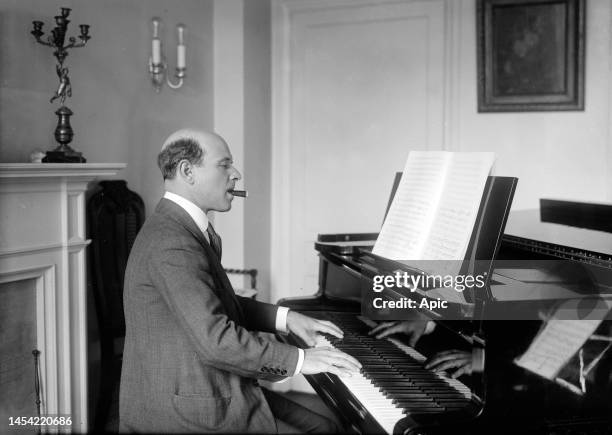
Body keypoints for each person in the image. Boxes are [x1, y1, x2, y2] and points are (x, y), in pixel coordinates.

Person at [119, 129, 361, 433]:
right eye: (225, 165)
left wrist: (287, 318)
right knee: (326, 429)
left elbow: (216, 305)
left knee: (325, 427)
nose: (237, 174)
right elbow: (216, 342)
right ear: (186, 171)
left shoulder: (180, 228)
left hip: (209, 385)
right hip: (191, 406)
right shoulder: (172, 241)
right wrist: (301, 360)